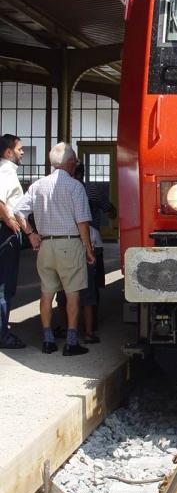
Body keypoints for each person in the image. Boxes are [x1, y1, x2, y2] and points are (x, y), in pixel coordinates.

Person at [13, 142, 95, 355]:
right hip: (69, 243)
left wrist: (31, 234)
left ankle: (48, 340)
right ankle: (71, 342)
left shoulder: (38, 185)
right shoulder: (75, 187)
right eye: (75, 161)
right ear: (70, 162)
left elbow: (18, 211)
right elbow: (82, 222)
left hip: (46, 245)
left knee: (47, 293)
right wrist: (88, 248)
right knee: (73, 293)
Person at [56, 162, 116, 342]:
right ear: (83, 173)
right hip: (92, 241)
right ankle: (91, 328)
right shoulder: (92, 189)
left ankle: (66, 326)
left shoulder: (59, 189)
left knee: (64, 288)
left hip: (65, 242)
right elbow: (110, 211)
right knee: (91, 287)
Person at [0, 135, 38, 349]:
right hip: (5, 233)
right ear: (8, 152)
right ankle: (2, 335)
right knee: (5, 285)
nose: (22, 152)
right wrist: (9, 220)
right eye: (19, 149)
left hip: (7, 230)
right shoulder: (5, 172)